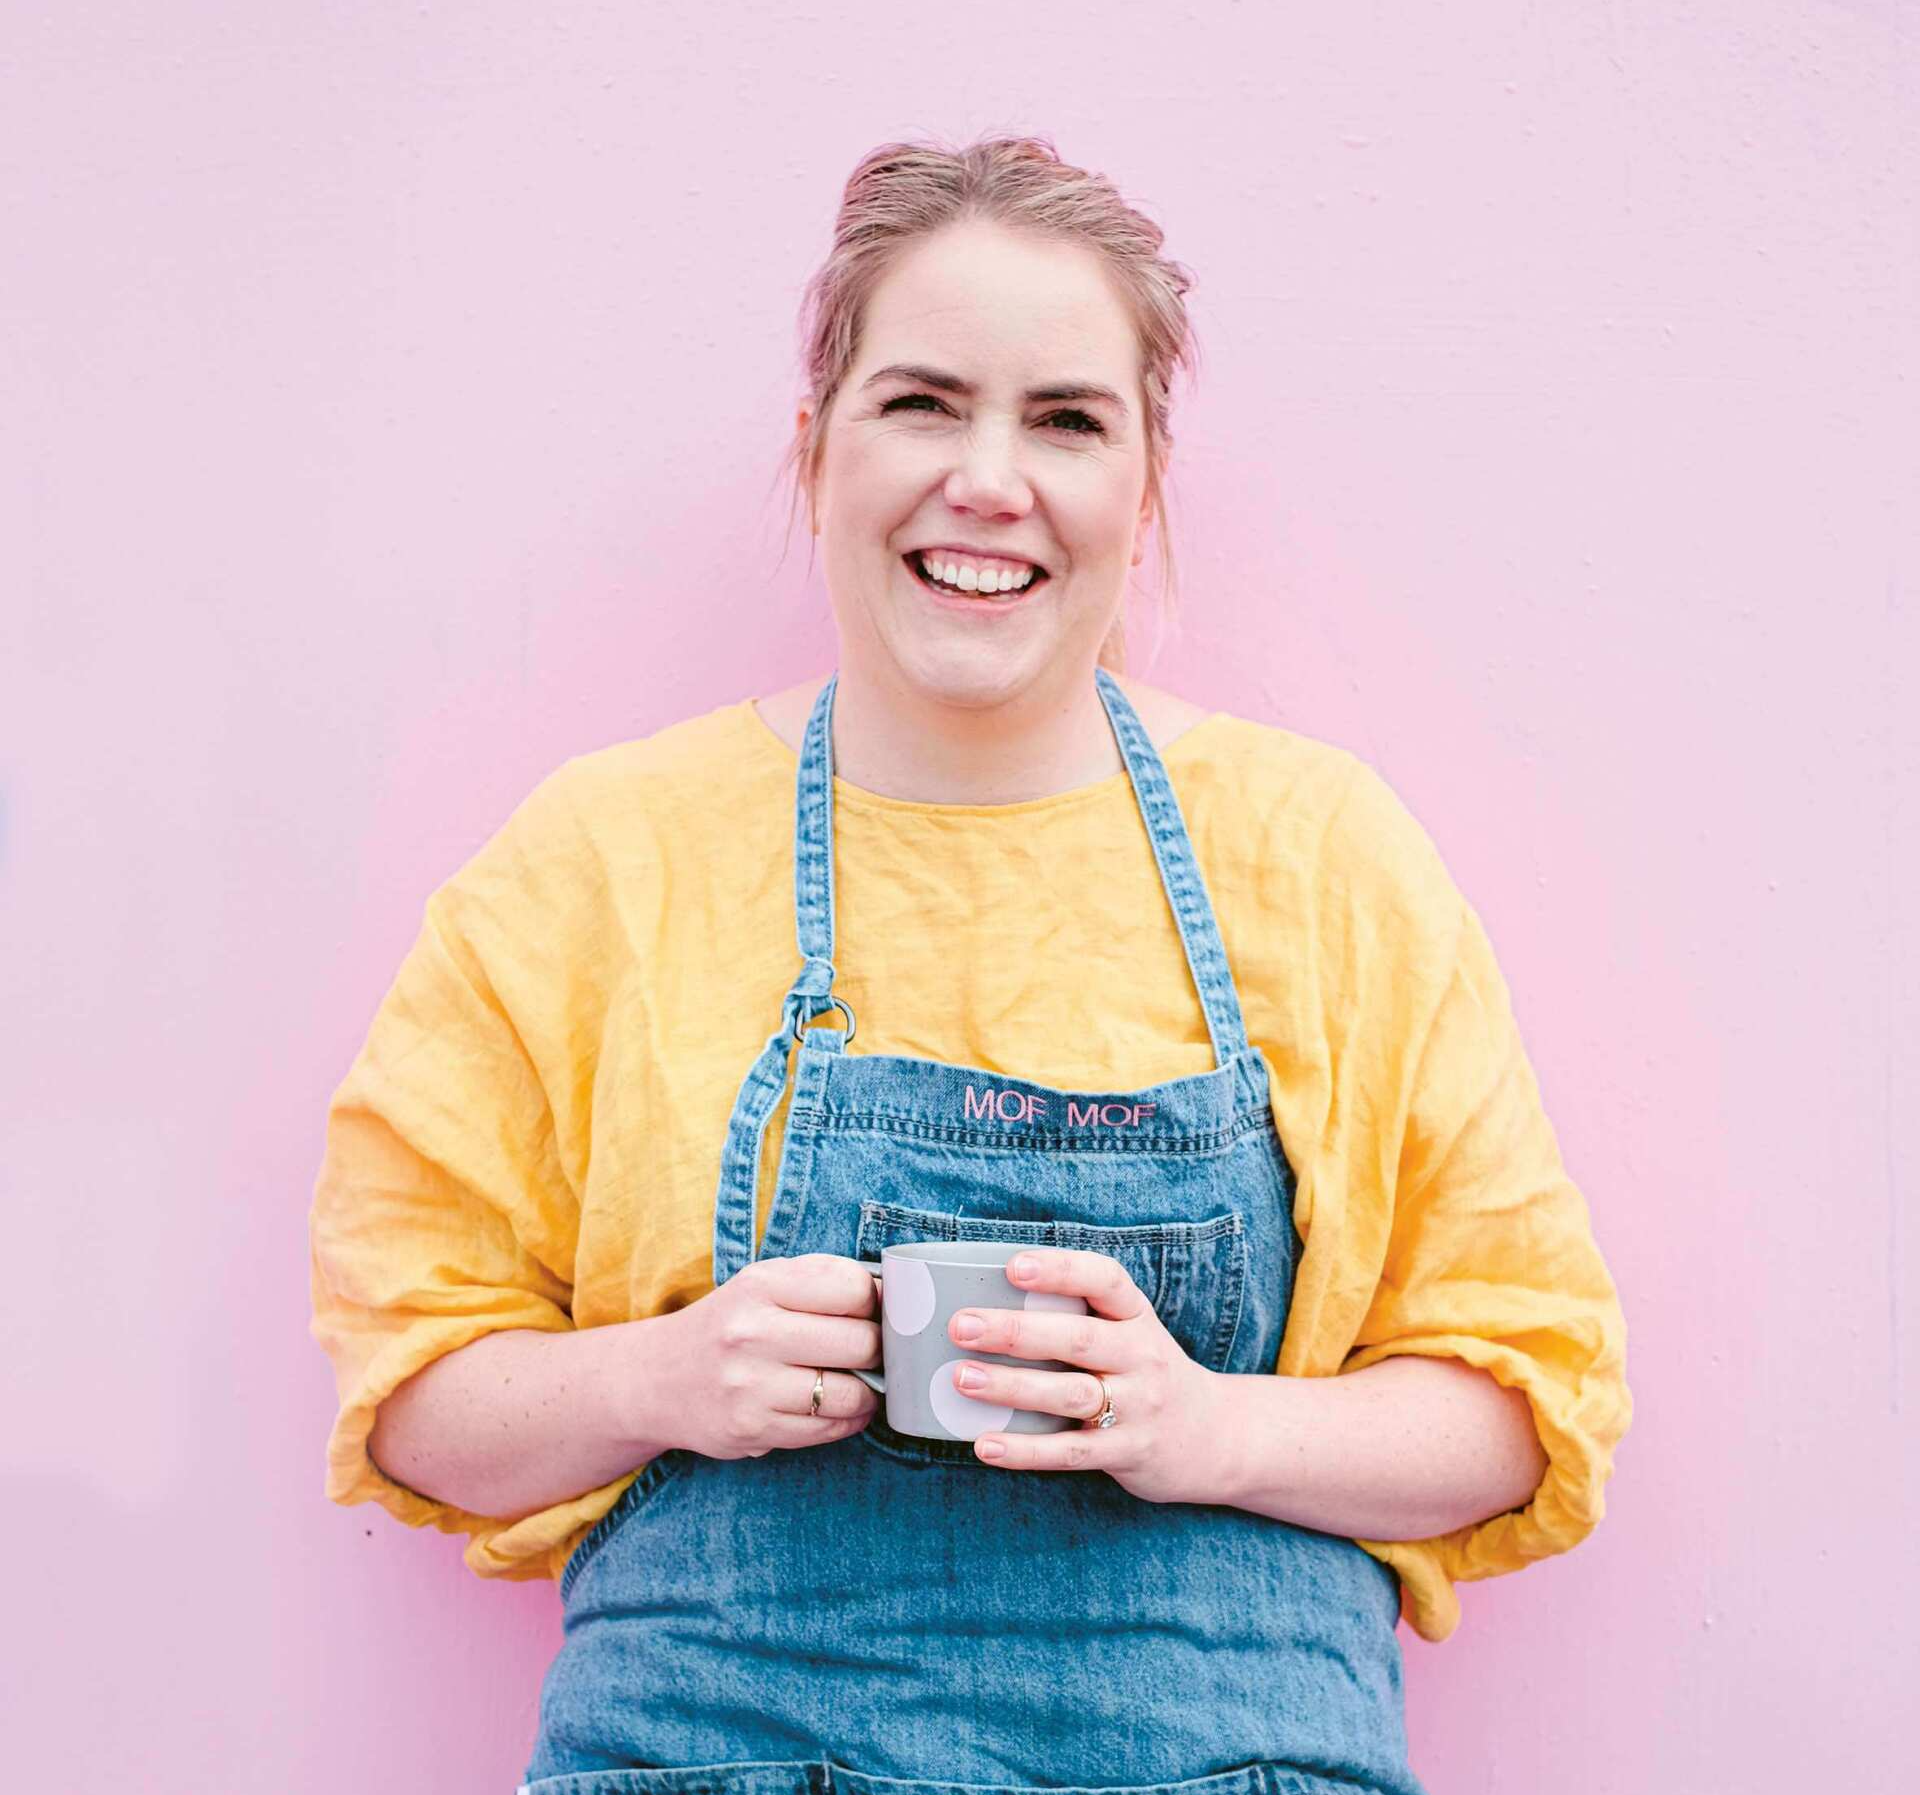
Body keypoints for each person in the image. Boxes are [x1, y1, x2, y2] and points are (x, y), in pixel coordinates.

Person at [308, 134, 1632, 1795]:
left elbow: (1524, 1404)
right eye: (923, 401)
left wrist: (1204, 1428)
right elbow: (418, 1393)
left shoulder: (1319, 857)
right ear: (816, 451)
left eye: (1066, 419)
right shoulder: (601, 861)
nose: (989, 479)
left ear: (1143, 489)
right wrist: (662, 1374)